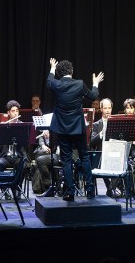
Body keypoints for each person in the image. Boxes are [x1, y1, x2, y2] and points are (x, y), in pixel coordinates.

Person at [47, 57, 104, 201]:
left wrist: (52, 68)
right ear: (71, 71)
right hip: (78, 128)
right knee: (84, 157)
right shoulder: (79, 84)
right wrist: (95, 84)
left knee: (66, 160)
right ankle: (90, 190)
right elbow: (93, 96)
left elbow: (49, 81)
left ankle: (70, 192)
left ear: (60, 73)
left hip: (62, 129)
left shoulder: (56, 84)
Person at [89, 98, 118, 197]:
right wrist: (101, 134)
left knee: (120, 163)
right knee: (102, 162)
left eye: (109, 108)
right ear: (101, 109)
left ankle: (110, 188)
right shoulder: (96, 125)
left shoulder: (116, 122)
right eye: (105, 108)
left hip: (114, 152)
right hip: (101, 153)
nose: (108, 110)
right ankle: (109, 186)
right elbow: (91, 142)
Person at [0, 100, 27, 171]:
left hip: (18, 156)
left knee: (23, 165)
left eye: (17, 111)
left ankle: (17, 182)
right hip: (6, 156)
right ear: (8, 113)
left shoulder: (22, 125)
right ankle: (2, 182)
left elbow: (26, 142)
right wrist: (0, 129)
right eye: (13, 111)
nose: (15, 113)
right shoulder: (4, 125)